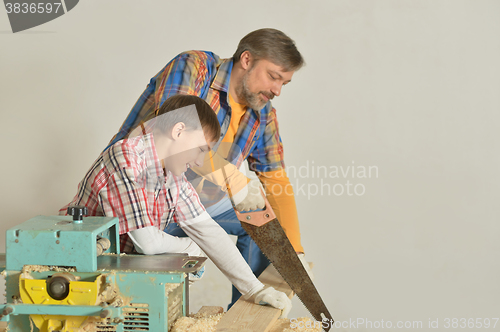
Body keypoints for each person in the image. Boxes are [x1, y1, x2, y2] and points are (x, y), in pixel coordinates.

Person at [107, 28, 313, 306]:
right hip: (144, 192)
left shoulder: (263, 113)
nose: (276, 90)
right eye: (274, 77)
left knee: (262, 222)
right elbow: (171, 128)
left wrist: (294, 253)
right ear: (247, 60)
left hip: (186, 199)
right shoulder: (194, 67)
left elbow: (277, 179)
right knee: (148, 292)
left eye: (283, 84)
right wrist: (235, 181)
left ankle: (249, 312)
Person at [60, 95, 292, 317]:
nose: (200, 162)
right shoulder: (127, 156)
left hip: (116, 282)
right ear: (178, 131)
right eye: (201, 149)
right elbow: (147, 242)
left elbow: (208, 231)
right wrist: (188, 247)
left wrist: (255, 289)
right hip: (74, 277)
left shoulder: (172, 177)